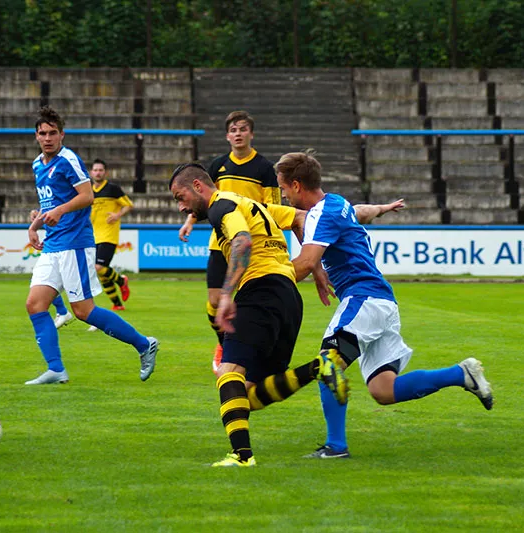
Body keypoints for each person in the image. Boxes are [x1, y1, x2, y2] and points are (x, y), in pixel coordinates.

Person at [275, 151, 493, 459]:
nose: (283, 195)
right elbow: (360, 212)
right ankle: (461, 374)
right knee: (383, 390)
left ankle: (336, 447)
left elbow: (306, 261)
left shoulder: (322, 214)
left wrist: (264, 282)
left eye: (283, 188)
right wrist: (381, 209)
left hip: (363, 298)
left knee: (328, 364)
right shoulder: (335, 204)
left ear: (297, 185)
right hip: (381, 302)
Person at [169, 162, 347, 467]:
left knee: (228, 372)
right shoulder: (251, 204)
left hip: (260, 291)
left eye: (180, 197)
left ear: (198, 186)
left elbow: (242, 241)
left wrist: (227, 294)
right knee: (247, 396)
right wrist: (314, 265)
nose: (181, 206)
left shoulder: (220, 205)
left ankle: (242, 457)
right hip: (288, 297)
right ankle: (319, 368)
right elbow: (301, 217)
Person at [24, 106, 158, 385]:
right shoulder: (37, 164)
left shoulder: (68, 160)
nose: (47, 138)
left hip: (74, 243)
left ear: (61, 134)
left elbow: (87, 196)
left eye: (52, 133)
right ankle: (56, 369)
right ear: (36, 136)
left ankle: (144, 344)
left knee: (83, 311)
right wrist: (34, 225)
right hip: (53, 244)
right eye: (42, 133)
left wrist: (60, 210)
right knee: (35, 304)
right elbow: (48, 203)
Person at [178, 111, 280, 374]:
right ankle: (223, 343)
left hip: (251, 241)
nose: (238, 134)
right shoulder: (218, 165)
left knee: (248, 298)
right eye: (233, 130)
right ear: (227, 136)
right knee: (214, 300)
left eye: (243, 129)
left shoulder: (264, 168)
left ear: (251, 133)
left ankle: (245, 349)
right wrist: (190, 221)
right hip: (220, 241)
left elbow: (273, 207)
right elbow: (201, 198)